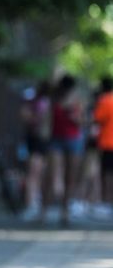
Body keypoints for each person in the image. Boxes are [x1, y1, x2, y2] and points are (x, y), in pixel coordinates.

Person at [45, 74, 85, 225]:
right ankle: (46, 207)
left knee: (70, 176)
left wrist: (72, 114)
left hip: (73, 139)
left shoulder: (76, 101)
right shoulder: (54, 99)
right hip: (56, 139)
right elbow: (48, 119)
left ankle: (65, 211)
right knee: (53, 173)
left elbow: (81, 122)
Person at [20, 80, 52, 221]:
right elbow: (25, 116)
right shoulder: (35, 102)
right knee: (34, 173)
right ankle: (31, 204)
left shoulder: (46, 102)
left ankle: (36, 203)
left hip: (44, 141)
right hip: (36, 141)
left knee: (38, 173)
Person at [94, 77, 113, 215]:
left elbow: (97, 119)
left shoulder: (105, 100)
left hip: (107, 143)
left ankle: (107, 202)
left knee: (107, 174)